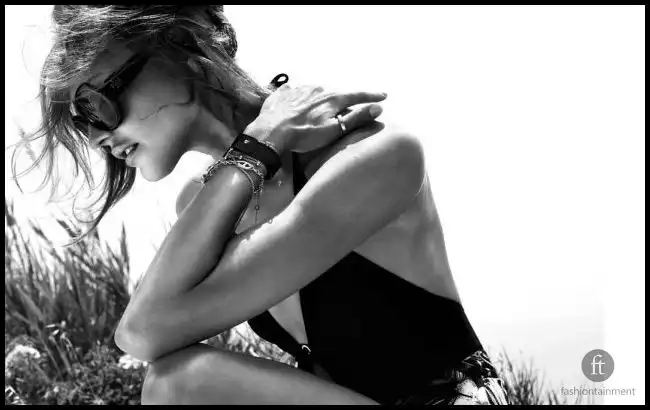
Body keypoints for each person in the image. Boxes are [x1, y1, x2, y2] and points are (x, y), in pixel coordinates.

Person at [17, 5, 509, 405]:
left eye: (96, 104)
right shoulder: (204, 201)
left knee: (182, 386)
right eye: (80, 122)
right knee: (175, 383)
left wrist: (256, 148)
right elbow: (142, 332)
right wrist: (257, 147)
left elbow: (144, 334)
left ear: (182, 44)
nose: (96, 137)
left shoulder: (372, 156)